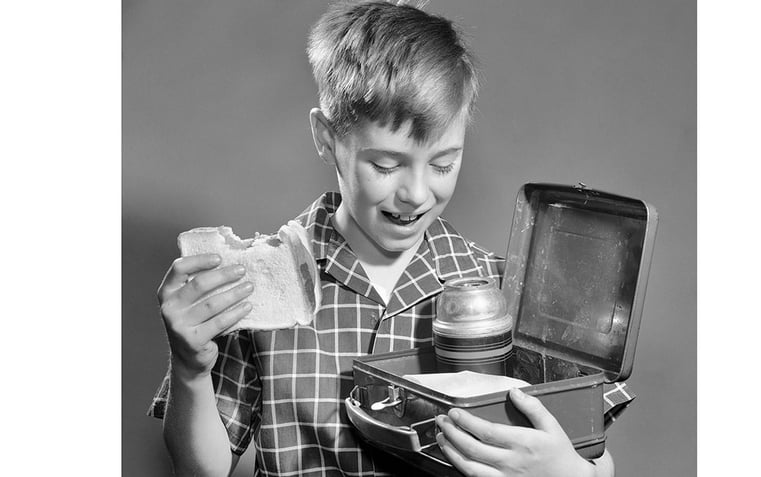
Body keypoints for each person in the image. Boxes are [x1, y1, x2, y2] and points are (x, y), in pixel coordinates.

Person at [148, 1, 631, 476]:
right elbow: (202, 469)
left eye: (443, 163)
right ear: (326, 137)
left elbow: (591, 456)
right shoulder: (256, 290)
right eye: (386, 165)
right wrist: (190, 367)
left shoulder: (506, 292)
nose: (417, 193)